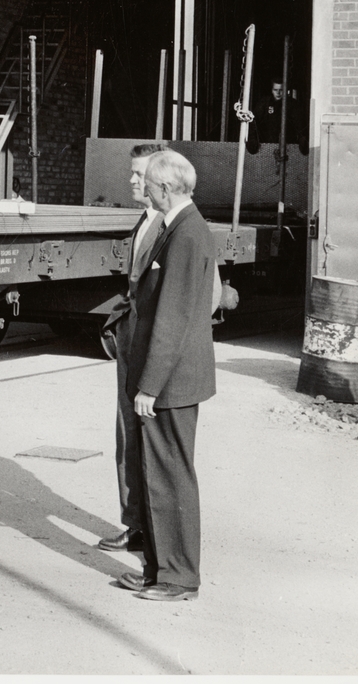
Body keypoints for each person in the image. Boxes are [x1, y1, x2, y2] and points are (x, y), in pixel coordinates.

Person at [115, 149, 216, 602]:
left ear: (167, 187)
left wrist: (149, 386)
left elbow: (173, 318)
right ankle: (157, 570)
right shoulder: (176, 227)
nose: (146, 190)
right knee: (156, 475)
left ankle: (179, 578)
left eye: (151, 184)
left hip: (172, 382)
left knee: (171, 476)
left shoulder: (187, 234)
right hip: (169, 379)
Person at [98, 143, 166, 556]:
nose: (132, 181)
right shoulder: (144, 221)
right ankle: (135, 524)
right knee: (127, 435)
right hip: (131, 342)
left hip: (153, 349)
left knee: (150, 441)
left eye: (140, 174)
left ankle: (155, 533)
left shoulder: (173, 227)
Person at [246, 80, 307, 155]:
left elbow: (300, 124)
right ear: (272, 90)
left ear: (285, 90)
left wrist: (302, 140)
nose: (278, 93)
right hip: (265, 145)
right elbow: (253, 120)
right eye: (275, 90)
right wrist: (252, 139)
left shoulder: (293, 104)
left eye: (281, 90)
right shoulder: (265, 103)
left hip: (289, 146)